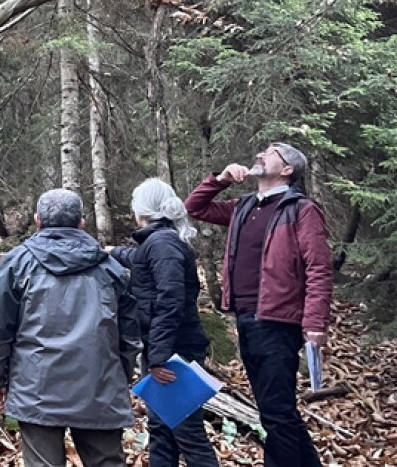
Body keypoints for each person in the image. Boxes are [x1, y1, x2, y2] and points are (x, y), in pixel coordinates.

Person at [184, 142, 332, 467]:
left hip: (279, 321)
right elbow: (195, 207)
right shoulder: (244, 205)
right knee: (275, 411)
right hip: (247, 318)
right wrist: (220, 179)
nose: (260, 155)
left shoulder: (301, 209)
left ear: (288, 169)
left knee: (276, 412)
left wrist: (315, 323)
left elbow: (319, 267)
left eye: (271, 153)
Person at [0, 188, 139, 467]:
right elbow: (129, 335)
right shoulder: (111, 268)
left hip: (36, 388)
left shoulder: (17, 263)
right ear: (82, 221)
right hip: (99, 386)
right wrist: (121, 376)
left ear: (37, 220)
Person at [110, 178, 219, 467]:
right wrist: (113, 253)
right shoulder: (159, 242)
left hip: (174, 350)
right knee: (161, 428)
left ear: (142, 208)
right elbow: (141, 260)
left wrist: (158, 357)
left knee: (186, 430)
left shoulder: (162, 244)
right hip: (164, 347)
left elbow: (170, 301)